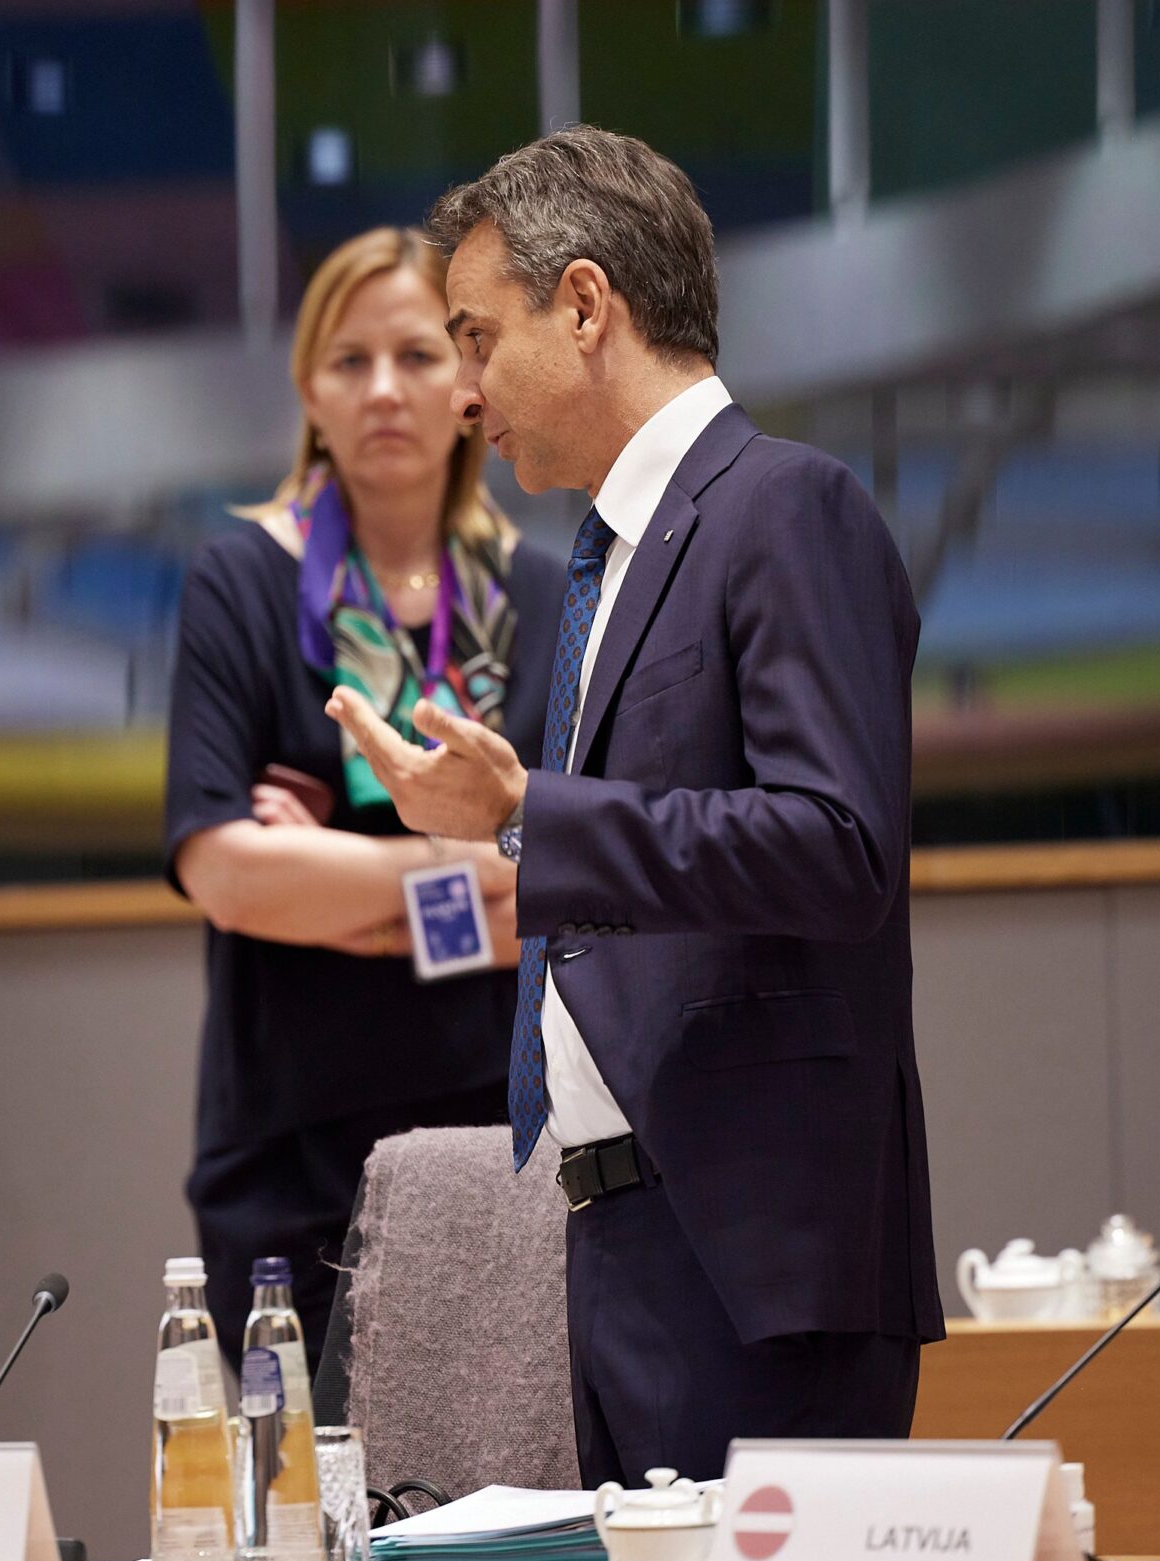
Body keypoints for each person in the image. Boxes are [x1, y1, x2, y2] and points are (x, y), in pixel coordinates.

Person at [327, 129, 942, 1486]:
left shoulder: (784, 507)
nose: (464, 393)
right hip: (614, 1232)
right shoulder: (607, 556)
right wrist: (502, 815)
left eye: (478, 340)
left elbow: (839, 846)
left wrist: (530, 813)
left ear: (586, 305)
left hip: (758, 1257)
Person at [165, 227, 565, 1354]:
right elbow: (228, 874)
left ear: (470, 381)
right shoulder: (241, 581)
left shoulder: (542, 591)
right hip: (288, 1145)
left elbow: (573, 887)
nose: (384, 389)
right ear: (310, 390)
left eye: (419, 355)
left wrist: (335, 884)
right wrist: (470, 864)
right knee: (302, 1458)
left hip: (504, 1130)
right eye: (351, 361)